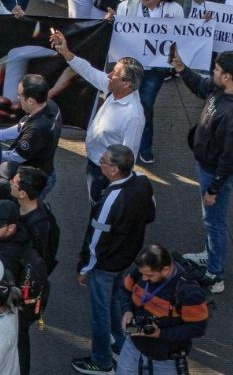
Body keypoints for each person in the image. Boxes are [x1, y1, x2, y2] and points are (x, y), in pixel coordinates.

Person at [169, 48, 233, 294]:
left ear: (227, 76)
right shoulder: (225, 91)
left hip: (215, 172)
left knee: (214, 222)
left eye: (217, 70)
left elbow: (230, 159)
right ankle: (209, 255)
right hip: (209, 166)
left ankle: (215, 274)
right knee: (212, 220)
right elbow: (201, 87)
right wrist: (181, 68)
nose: (213, 73)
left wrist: (214, 188)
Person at [71, 145, 157, 375]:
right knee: (120, 305)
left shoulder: (109, 200)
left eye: (105, 161)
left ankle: (102, 362)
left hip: (105, 266)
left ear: (115, 170)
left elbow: (96, 240)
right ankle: (120, 344)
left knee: (100, 315)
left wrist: (85, 268)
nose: (101, 162)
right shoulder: (142, 181)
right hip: (128, 259)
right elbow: (151, 212)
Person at [49, 29, 144, 203]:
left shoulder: (133, 116)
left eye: (113, 74)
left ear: (126, 84)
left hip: (106, 173)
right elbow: (88, 71)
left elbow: (129, 155)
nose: (108, 75)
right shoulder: (113, 88)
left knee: (101, 208)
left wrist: (116, 185)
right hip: (95, 163)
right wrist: (66, 52)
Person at [115, 0, 183, 164]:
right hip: (130, 66)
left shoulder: (174, 10)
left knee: (145, 106)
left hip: (154, 69)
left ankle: (144, 147)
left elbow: (183, 34)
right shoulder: (128, 5)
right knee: (124, 103)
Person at [116, 244, 209, 375]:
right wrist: (127, 311)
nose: (144, 279)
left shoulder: (189, 292)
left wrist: (160, 333)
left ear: (165, 270)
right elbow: (124, 290)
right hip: (134, 348)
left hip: (166, 359)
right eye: (143, 274)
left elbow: (197, 328)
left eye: (150, 275)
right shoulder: (141, 271)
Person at [0, 74, 63, 190]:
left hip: (33, 183)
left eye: (19, 95)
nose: (18, 98)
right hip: (44, 170)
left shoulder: (37, 129)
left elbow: (16, 156)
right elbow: (23, 126)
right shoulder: (51, 106)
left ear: (30, 101)